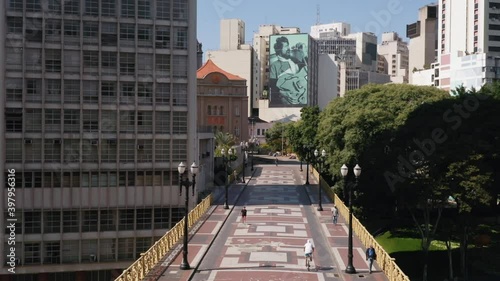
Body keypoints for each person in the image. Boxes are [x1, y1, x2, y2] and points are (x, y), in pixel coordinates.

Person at [269, 36, 307, 106]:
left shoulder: (295, 60)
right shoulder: (275, 66)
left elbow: (307, 71)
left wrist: (303, 52)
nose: (288, 48)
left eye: (288, 45)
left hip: (302, 99)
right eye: (286, 46)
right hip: (285, 103)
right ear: (279, 49)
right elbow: (273, 88)